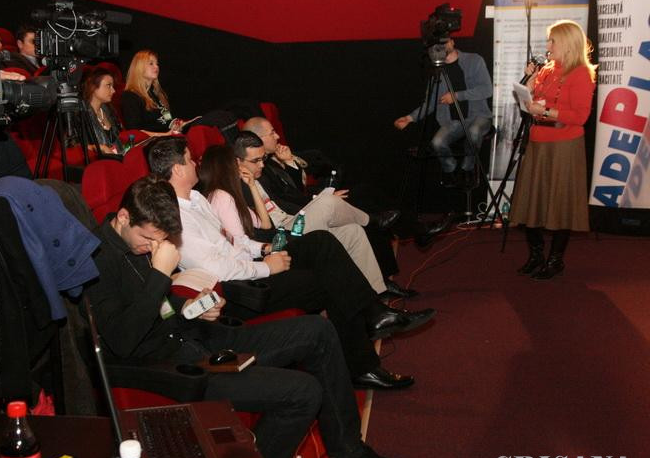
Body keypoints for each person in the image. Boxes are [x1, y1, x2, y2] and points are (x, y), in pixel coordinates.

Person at [84, 175, 410, 458]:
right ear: (123, 217)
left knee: (318, 331)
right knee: (304, 392)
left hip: (197, 335)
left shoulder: (141, 242)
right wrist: (160, 274)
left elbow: (160, 304)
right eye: (148, 238)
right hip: (174, 365)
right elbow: (123, 340)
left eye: (160, 239)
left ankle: (349, 455)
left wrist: (189, 305)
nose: (153, 246)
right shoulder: (96, 261)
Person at [147, 136, 436, 390]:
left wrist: (264, 249)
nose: (196, 163)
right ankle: (363, 361)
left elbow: (235, 243)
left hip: (249, 266)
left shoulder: (197, 199)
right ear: (178, 170)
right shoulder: (177, 216)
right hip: (234, 291)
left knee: (320, 242)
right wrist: (267, 266)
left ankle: (373, 316)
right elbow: (219, 270)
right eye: (190, 159)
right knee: (328, 279)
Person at [243, 117, 421, 298]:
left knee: (354, 229)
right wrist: (319, 200)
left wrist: (290, 164)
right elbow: (277, 211)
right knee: (344, 201)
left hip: (296, 216)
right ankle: (377, 222)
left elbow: (292, 194)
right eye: (272, 133)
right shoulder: (246, 177)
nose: (277, 136)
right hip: (284, 232)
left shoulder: (266, 163)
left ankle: (377, 294)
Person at [203, 138, 389, 295]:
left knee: (352, 231)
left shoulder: (254, 180)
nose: (261, 164)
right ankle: (372, 221)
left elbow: (269, 220)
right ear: (235, 163)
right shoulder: (224, 196)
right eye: (255, 161)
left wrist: (252, 185)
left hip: (282, 228)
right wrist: (267, 250)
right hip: (277, 239)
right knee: (328, 202)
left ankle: (376, 296)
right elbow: (242, 244)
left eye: (263, 159)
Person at [509, 20, 596, 280]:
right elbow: (529, 100)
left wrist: (546, 111)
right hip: (538, 141)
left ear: (567, 44)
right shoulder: (547, 69)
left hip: (564, 144)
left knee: (561, 202)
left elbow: (580, 116)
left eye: (552, 41)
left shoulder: (580, 73)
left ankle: (555, 259)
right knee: (531, 200)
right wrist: (530, 81)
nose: (548, 45)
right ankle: (536, 254)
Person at [394, 38, 492, 186]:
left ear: (452, 42)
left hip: (479, 116)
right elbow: (430, 102)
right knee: (437, 142)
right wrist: (409, 118)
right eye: (438, 44)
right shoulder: (437, 71)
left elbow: (487, 90)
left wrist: (457, 96)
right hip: (453, 121)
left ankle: (467, 169)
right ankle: (450, 169)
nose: (442, 46)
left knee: (474, 131)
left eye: (444, 42)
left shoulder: (474, 60)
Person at [121, 49, 195, 135]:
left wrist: (176, 124)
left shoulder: (155, 93)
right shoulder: (130, 96)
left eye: (157, 64)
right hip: (154, 141)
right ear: (139, 68)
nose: (156, 67)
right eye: (151, 63)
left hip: (167, 136)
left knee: (200, 124)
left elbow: (167, 118)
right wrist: (165, 135)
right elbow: (135, 132)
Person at [82, 67, 123, 155]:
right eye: (108, 85)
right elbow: (72, 147)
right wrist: (96, 147)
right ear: (93, 87)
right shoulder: (80, 115)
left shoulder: (109, 110)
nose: (113, 91)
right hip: (97, 161)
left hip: (117, 158)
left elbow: (120, 139)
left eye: (113, 86)